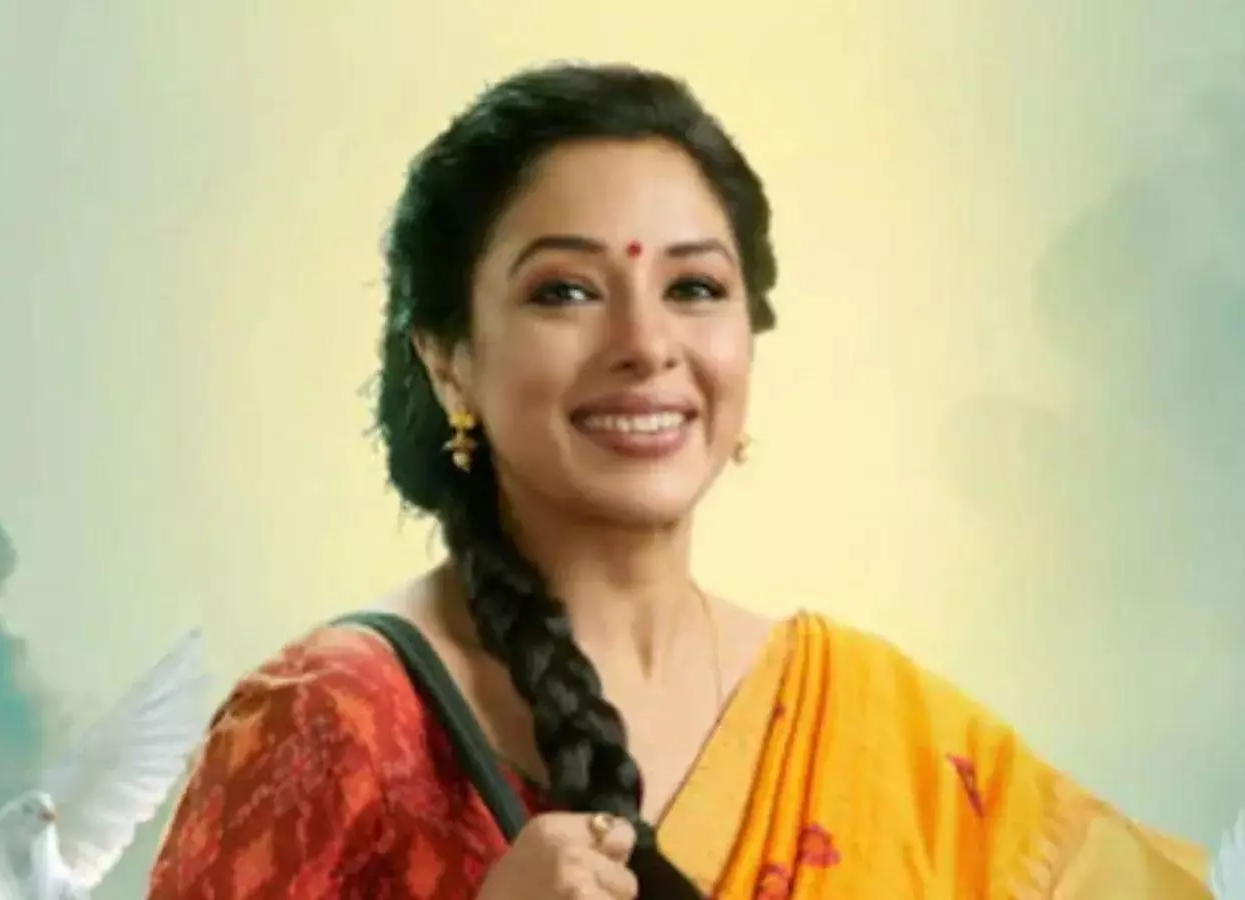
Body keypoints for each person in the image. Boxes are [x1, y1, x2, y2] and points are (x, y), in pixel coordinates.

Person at [144, 62, 1213, 899]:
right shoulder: (334, 722)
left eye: (695, 287)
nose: (646, 344)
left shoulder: (882, 730)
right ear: (447, 357)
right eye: (565, 291)